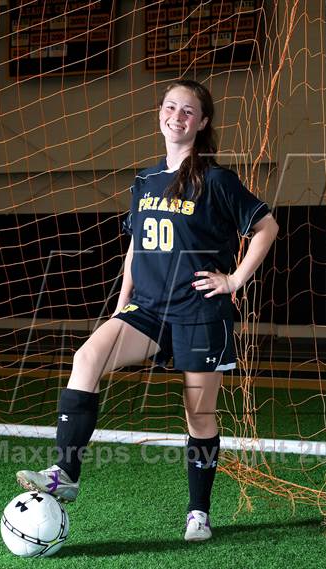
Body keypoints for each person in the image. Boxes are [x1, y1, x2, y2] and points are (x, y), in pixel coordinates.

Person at [16, 79, 279, 542]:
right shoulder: (144, 180)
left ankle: (198, 512)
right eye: (171, 106)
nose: (177, 116)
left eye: (188, 111)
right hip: (148, 308)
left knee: (198, 413)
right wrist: (121, 307)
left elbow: (266, 226)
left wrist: (234, 280)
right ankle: (65, 474)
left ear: (202, 123)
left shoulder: (216, 180)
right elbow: (137, 246)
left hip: (200, 311)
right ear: (160, 113)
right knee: (86, 358)